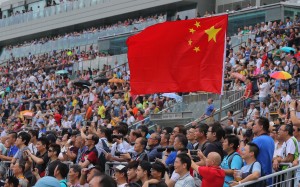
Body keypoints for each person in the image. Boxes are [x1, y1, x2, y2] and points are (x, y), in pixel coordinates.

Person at [239, 117, 274, 185]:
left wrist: (241, 139)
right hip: (266, 177)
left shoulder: (258, 140)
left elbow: (242, 152)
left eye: (254, 124)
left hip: (256, 179)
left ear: (261, 127)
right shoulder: (271, 139)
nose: (252, 126)